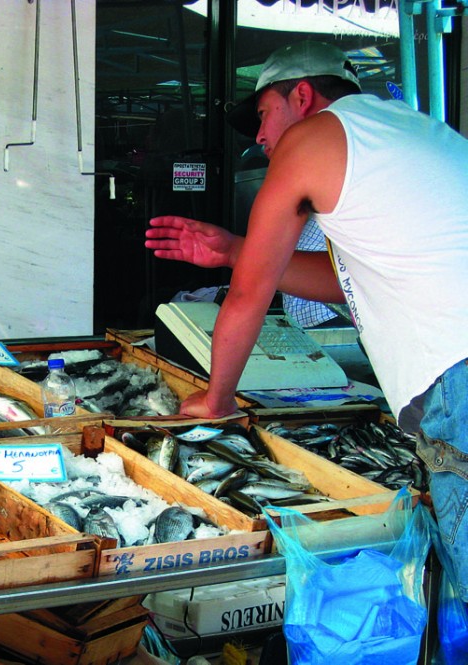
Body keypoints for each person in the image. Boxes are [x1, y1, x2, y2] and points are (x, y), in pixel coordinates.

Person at [144, 40, 468, 601]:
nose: (262, 137)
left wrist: (217, 400)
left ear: (301, 95)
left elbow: (248, 296)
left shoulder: (311, 138)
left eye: (264, 115)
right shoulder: (403, 131)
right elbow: (342, 281)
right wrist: (231, 251)